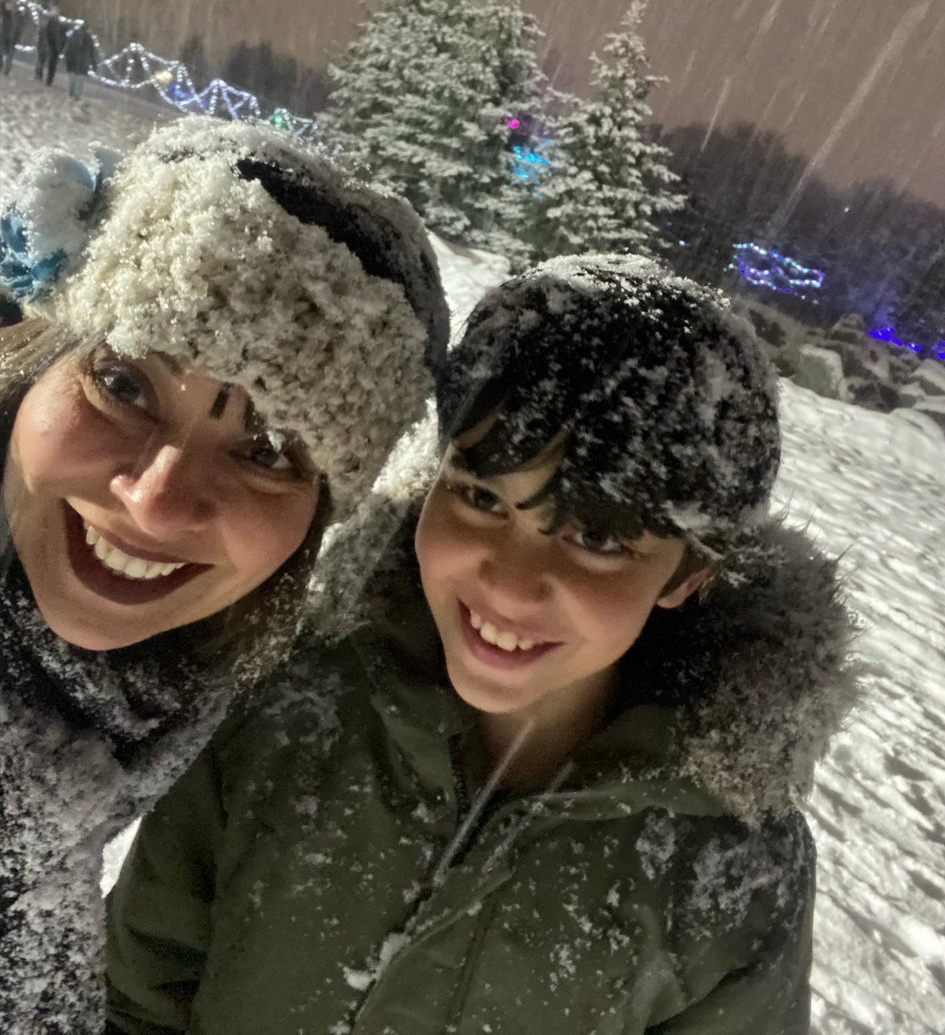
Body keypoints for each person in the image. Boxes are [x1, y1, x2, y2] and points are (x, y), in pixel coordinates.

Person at [106, 255, 856, 1034]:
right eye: (479, 497)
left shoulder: (731, 873)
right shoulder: (287, 705)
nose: (508, 584)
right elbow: (132, 999)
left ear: (689, 571)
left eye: (596, 536)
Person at [0, 114, 448, 1035]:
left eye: (268, 451)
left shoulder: (172, 693)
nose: (156, 502)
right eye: (122, 384)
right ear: (36, 356)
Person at [63, 18, 97, 99]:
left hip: (72, 58)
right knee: (80, 77)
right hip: (83, 60)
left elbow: (68, 45)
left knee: (72, 75)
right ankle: (77, 94)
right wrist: (93, 63)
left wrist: (66, 56)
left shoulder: (73, 34)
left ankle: (71, 92)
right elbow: (91, 52)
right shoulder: (89, 38)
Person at [34, 4, 65, 86]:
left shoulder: (59, 24)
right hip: (48, 45)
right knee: (43, 61)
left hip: (53, 46)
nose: (56, 14)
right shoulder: (48, 23)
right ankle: (41, 76)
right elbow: (44, 34)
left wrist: (59, 47)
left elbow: (60, 37)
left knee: (50, 64)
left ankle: (48, 80)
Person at [0, 0, 23, 76]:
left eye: (10, 4)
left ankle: (6, 70)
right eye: (8, 4)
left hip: (11, 38)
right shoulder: (4, 13)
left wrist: (17, 37)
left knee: (10, 54)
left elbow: (18, 27)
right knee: (1, 52)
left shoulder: (15, 15)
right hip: (3, 36)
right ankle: (2, 67)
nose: (9, 6)